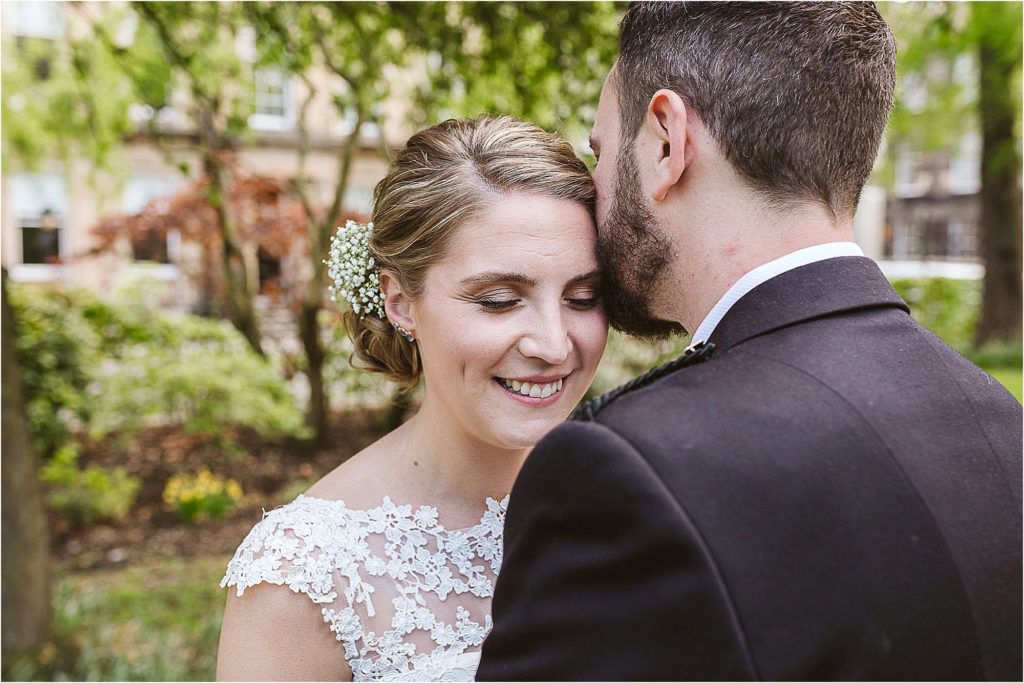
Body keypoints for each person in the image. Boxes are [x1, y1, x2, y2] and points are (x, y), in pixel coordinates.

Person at [477, 3, 1023, 680]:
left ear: (667, 142)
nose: (594, 189)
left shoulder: (629, 471)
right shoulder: (1001, 422)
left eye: (601, 152)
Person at [216, 115, 608, 682]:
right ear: (399, 301)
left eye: (583, 297)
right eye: (499, 300)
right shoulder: (302, 578)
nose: (554, 344)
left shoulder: (634, 501)